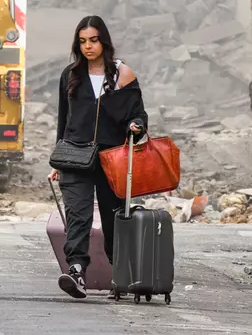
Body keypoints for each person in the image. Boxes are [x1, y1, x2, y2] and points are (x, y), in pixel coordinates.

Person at [49, 15, 148, 299]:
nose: (87, 47)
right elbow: (63, 121)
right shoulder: (70, 75)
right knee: (77, 216)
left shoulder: (122, 75)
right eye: (82, 42)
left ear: (103, 41)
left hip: (111, 158)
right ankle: (77, 271)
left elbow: (138, 114)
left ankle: (121, 276)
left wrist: (137, 127)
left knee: (113, 218)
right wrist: (57, 161)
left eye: (93, 40)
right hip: (75, 158)